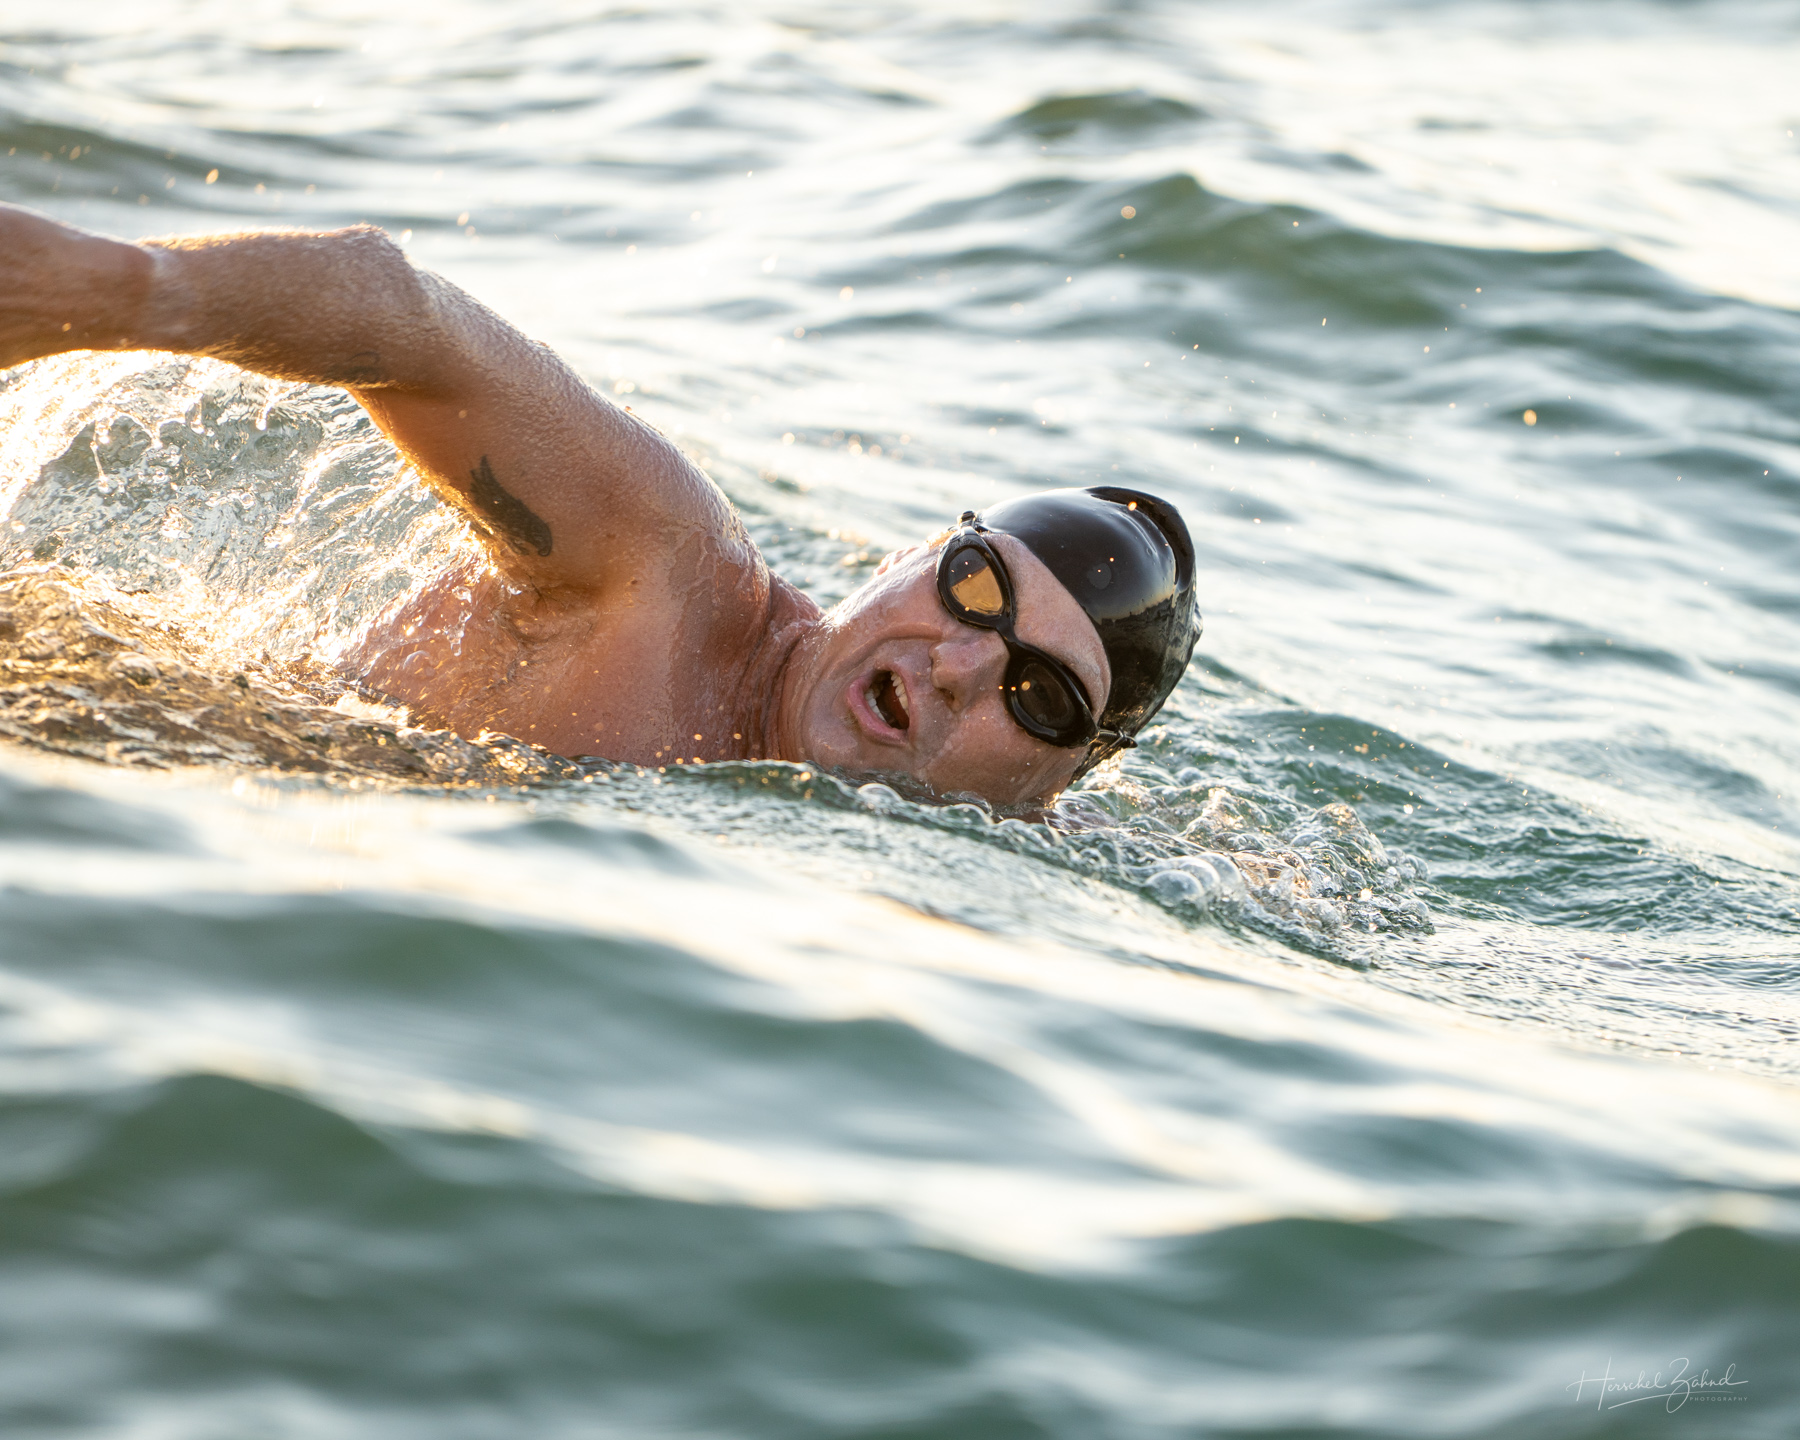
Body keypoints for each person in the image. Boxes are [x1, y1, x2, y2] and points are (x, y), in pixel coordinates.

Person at [0, 202, 1199, 811]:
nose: (954, 667)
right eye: (974, 586)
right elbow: (405, 320)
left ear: (1056, 790)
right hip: (95, 732)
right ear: (907, 556)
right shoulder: (662, 574)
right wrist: (125, 290)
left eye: (1039, 698)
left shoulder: (986, 856)